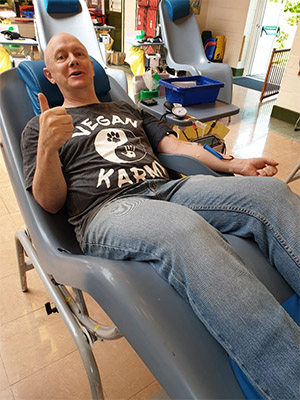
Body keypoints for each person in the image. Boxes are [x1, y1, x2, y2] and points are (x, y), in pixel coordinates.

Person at [21, 33, 300, 400]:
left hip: (168, 189)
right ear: (51, 76)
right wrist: (47, 147)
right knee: (183, 229)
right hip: (107, 210)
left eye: (79, 53)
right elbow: (50, 202)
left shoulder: (128, 109)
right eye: (61, 57)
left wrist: (235, 164)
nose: (73, 59)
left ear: (92, 66)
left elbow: (177, 145)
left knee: (271, 193)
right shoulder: (41, 128)